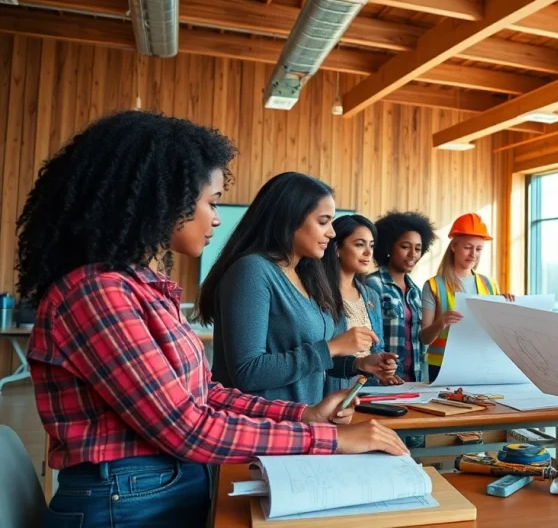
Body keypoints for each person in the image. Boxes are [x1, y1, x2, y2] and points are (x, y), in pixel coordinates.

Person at [17, 112, 407, 528]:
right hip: (125, 504)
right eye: (212, 201)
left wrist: (303, 416)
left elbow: (204, 394)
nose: (217, 218)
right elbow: (186, 428)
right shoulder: (98, 294)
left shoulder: (142, 289)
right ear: (165, 199)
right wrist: (329, 439)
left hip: (160, 487)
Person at [196, 173, 394, 405]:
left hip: (302, 421)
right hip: (260, 423)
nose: (332, 232)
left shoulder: (308, 275)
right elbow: (248, 371)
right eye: (323, 221)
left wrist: (357, 364)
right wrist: (332, 347)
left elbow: (310, 363)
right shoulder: (252, 271)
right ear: (290, 219)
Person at [420, 213, 510, 383]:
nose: (473, 254)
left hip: (481, 364)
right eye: (468, 247)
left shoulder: (489, 284)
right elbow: (424, 338)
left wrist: (506, 305)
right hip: (442, 367)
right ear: (454, 246)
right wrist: (441, 322)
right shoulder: (433, 285)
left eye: (479, 249)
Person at [322, 214, 397, 391]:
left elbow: (377, 348)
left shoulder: (371, 295)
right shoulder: (320, 294)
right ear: (337, 248)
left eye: (371, 245)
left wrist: (384, 367)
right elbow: (318, 355)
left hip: (367, 391)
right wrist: (358, 363)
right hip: (332, 393)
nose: (368, 252)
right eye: (359, 244)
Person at [365, 211, 438, 385]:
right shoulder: (372, 285)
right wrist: (379, 375)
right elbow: (367, 338)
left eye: (418, 249)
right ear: (389, 248)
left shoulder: (416, 291)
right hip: (382, 382)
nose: (413, 254)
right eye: (405, 247)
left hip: (413, 381)